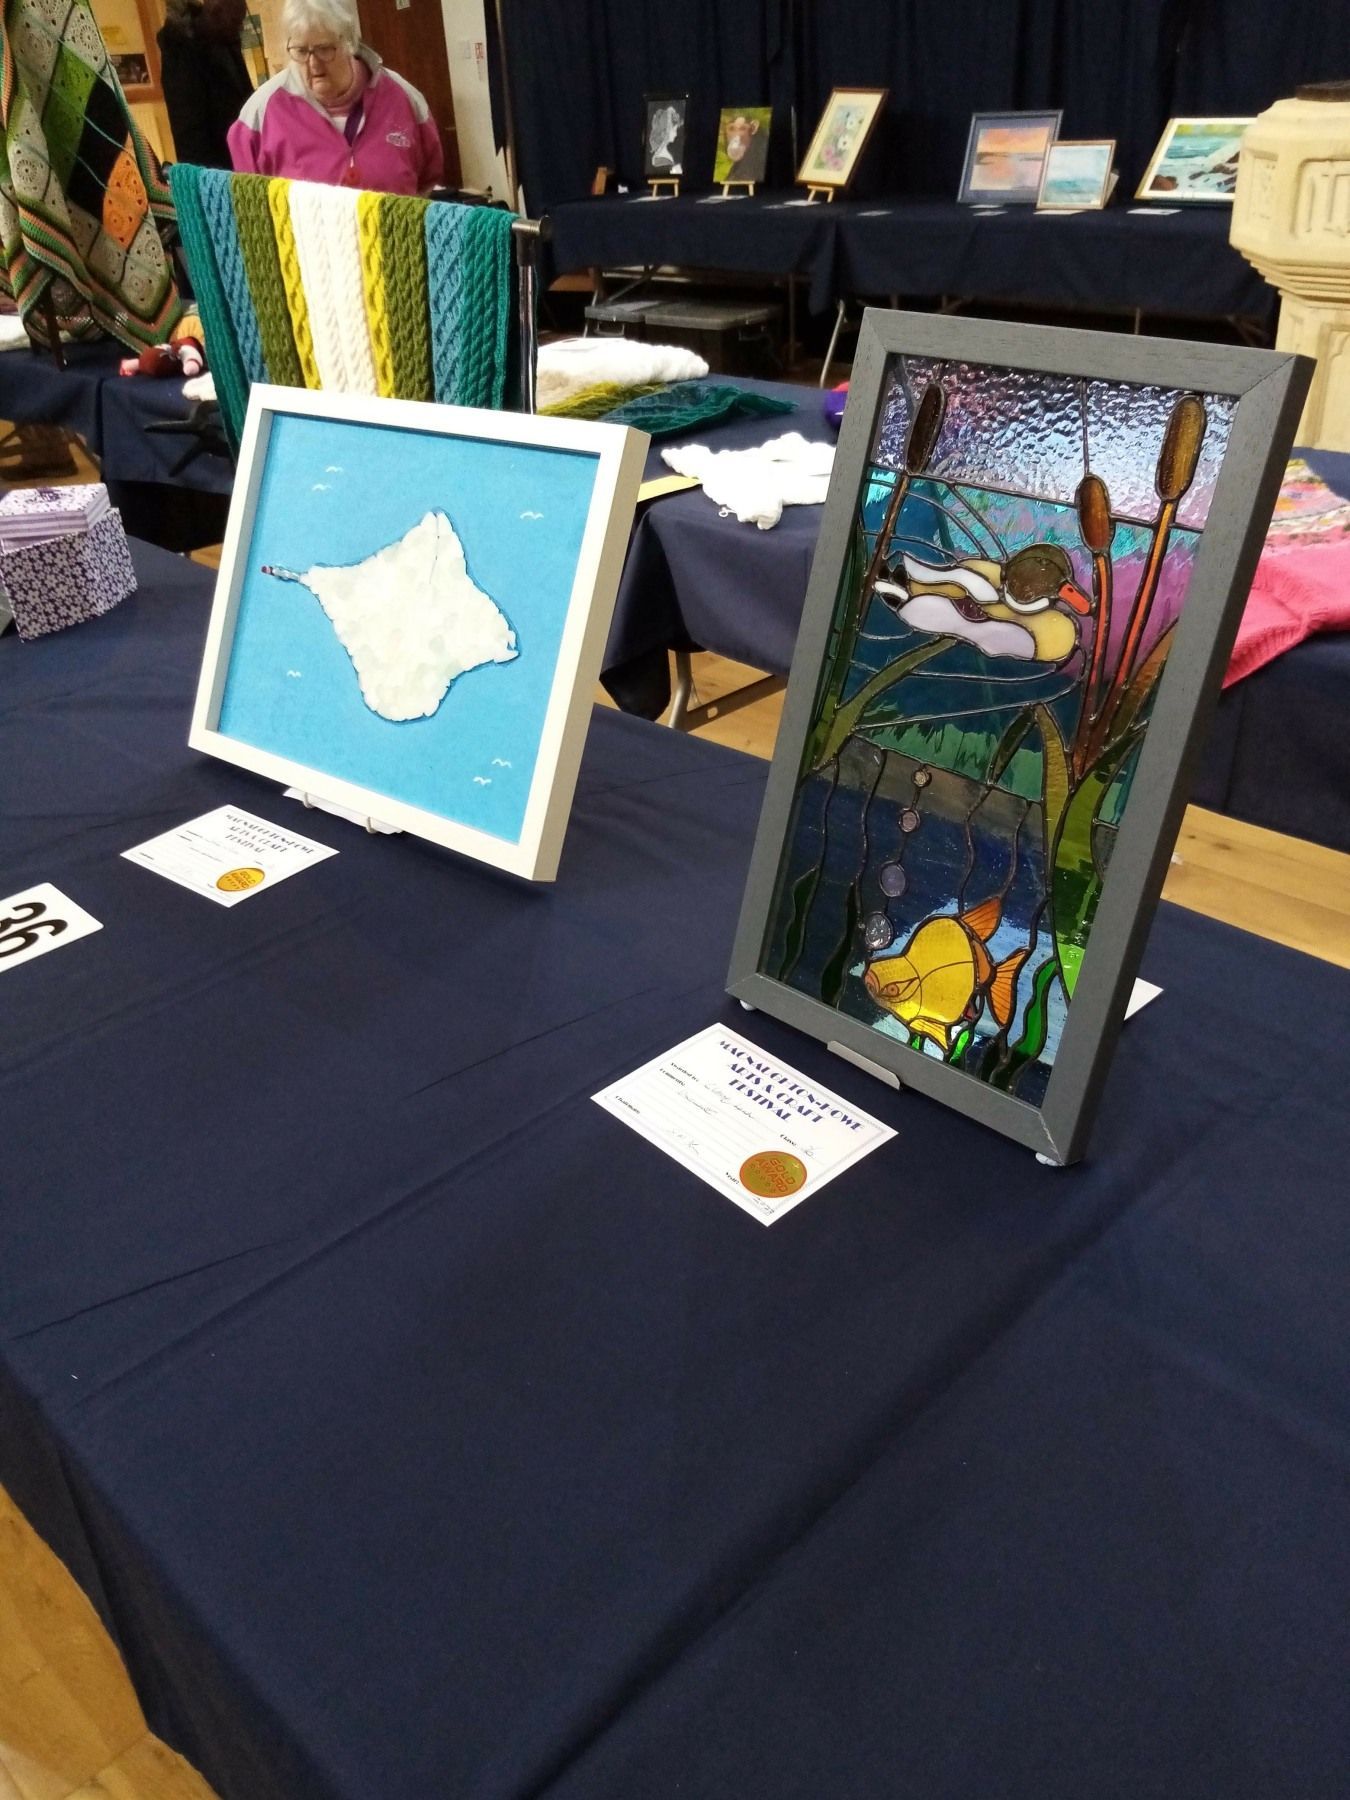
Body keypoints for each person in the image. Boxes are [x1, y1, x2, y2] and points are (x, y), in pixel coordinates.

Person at [228, 0, 442, 195]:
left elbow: (427, 181)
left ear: (349, 42)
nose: (313, 64)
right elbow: (250, 203)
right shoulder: (260, 112)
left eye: (324, 49)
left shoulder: (404, 97)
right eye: (301, 51)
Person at [158, 0, 255, 170]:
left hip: (241, 158)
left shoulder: (226, 41)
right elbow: (190, 133)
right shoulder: (181, 54)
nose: (239, 29)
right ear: (215, 13)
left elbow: (246, 99)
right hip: (214, 169)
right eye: (235, 22)